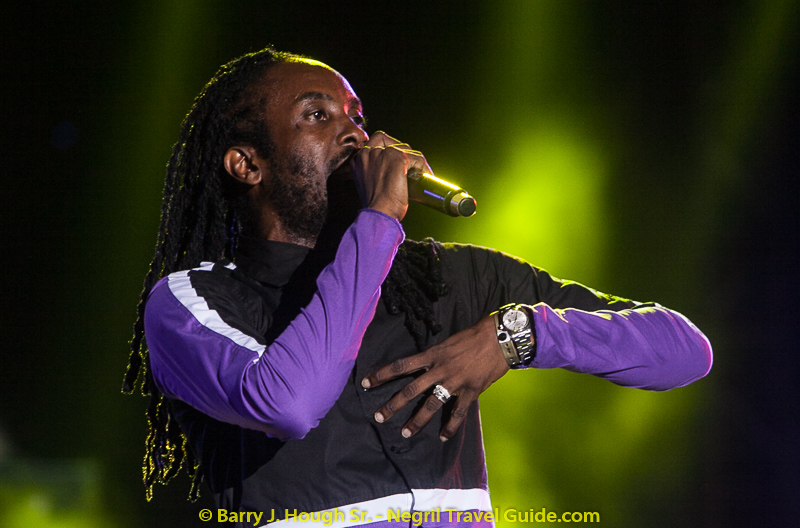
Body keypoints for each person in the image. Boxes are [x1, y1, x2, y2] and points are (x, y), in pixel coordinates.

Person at [123, 47, 712, 527]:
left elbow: (685, 351)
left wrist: (521, 334)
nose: (356, 135)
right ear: (247, 164)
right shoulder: (191, 302)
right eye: (317, 116)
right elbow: (288, 403)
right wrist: (379, 218)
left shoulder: (448, 277)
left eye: (356, 115)